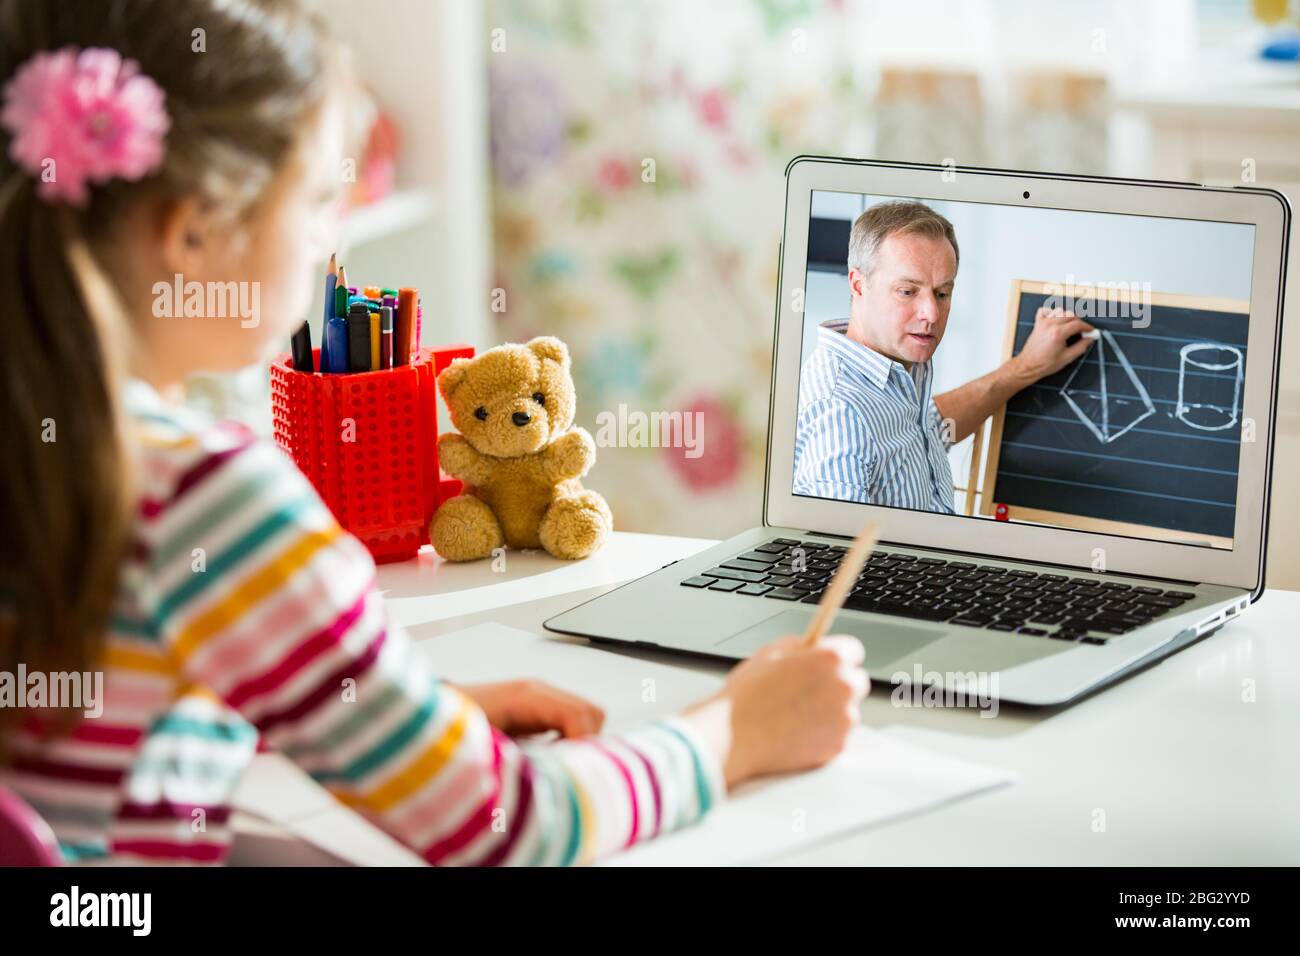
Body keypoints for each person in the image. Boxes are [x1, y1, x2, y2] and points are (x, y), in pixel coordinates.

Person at [0, 0, 866, 865]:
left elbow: (106, 720)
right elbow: (522, 826)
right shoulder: (202, 497)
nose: (328, 237)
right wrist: (735, 731)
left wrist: (382, 718)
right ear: (194, 231)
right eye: (313, 200)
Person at [794, 200, 1096, 511]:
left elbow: (925, 430)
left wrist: (1027, 367)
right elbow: (840, 554)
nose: (932, 313)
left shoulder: (887, 373)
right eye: (907, 291)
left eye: (942, 293)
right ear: (859, 285)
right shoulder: (839, 411)